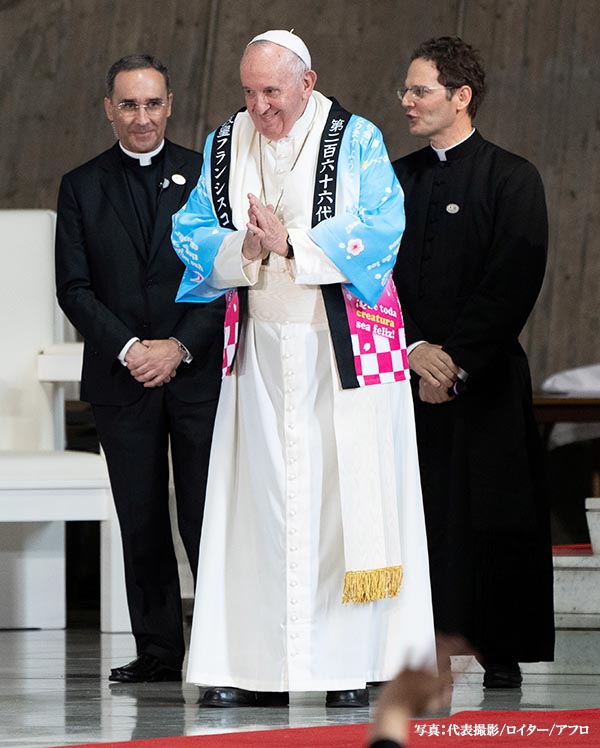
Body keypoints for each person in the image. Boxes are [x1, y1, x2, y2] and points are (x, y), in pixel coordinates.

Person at [171, 30, 435, 708]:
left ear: (307, 84)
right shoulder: (225, 142)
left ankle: (348, 666)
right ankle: (248, 665)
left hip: (338, 349)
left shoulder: (358, 140)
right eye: (250, 93)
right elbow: (191, 229)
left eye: (273, 93)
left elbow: (384, 225)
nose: (261, 108)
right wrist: (246, 246)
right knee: (253, 508)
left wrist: (293, 242)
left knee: (342, 509)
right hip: (259, 351)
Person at [55, 54, 224, 683]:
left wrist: (177, 347)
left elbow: (225, 278)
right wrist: (132, 349)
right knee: (141, 517)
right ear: (108, 108)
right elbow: (73, 288)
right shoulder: (81, 185)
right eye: (129, 104)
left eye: (152, 103)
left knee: (204, 515)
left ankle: (216, 649)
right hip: (122, 379)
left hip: (195, 373)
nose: (142, 117)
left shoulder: (206, 175)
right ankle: (158, 651)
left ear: (170, 103)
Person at [392, 36, 555, 689]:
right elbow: (372, 280)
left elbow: (514, 279)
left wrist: (453, 361)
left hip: (482, 382)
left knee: (490, 517)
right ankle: (405, 644)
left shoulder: (512, 177)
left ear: (461, 96)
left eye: (420, 90)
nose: (406, 101)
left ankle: (498, 647)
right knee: (413, 517)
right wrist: (413, 353)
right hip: (402, 377)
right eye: (406, 89)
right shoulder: (391, 181)